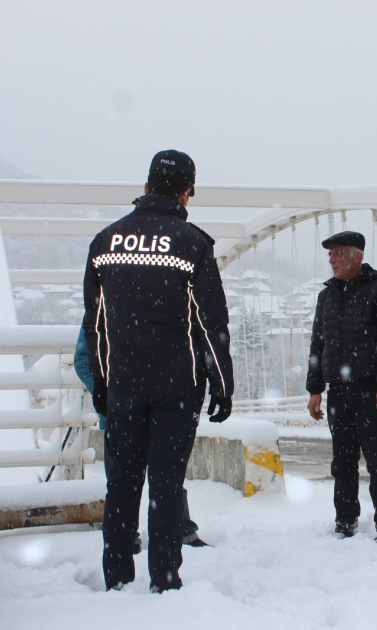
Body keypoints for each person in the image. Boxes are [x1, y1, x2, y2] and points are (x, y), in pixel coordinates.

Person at [82, 150, 234, 593]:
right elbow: (211, 324)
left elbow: (96, 325)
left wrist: (102, 382)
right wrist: (222, 385)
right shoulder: (192, 244)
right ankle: (165, 582)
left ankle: (117, 580)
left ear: (145, 187)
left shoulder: (105, 242)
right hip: (177, 387)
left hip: (124, 386)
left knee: (122, 486)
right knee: (166, 486)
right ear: (187, 193)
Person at [306, 231, 377, 546]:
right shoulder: (327, 296)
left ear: (357, 257)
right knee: (343, 462)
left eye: (338, 253)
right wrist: (315, 388)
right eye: (330, 255)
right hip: (338, 391)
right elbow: (318, 343)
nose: (332, 259)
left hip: (370, 391)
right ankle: (345, 521)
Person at [73, 325, 210, 551]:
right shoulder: (105, 305)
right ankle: (127, 541)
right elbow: (82, 360)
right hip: (120, 416)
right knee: (122, 483)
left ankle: (181, 529)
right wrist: (113, 398)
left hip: (159, 411)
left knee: (167, 479)